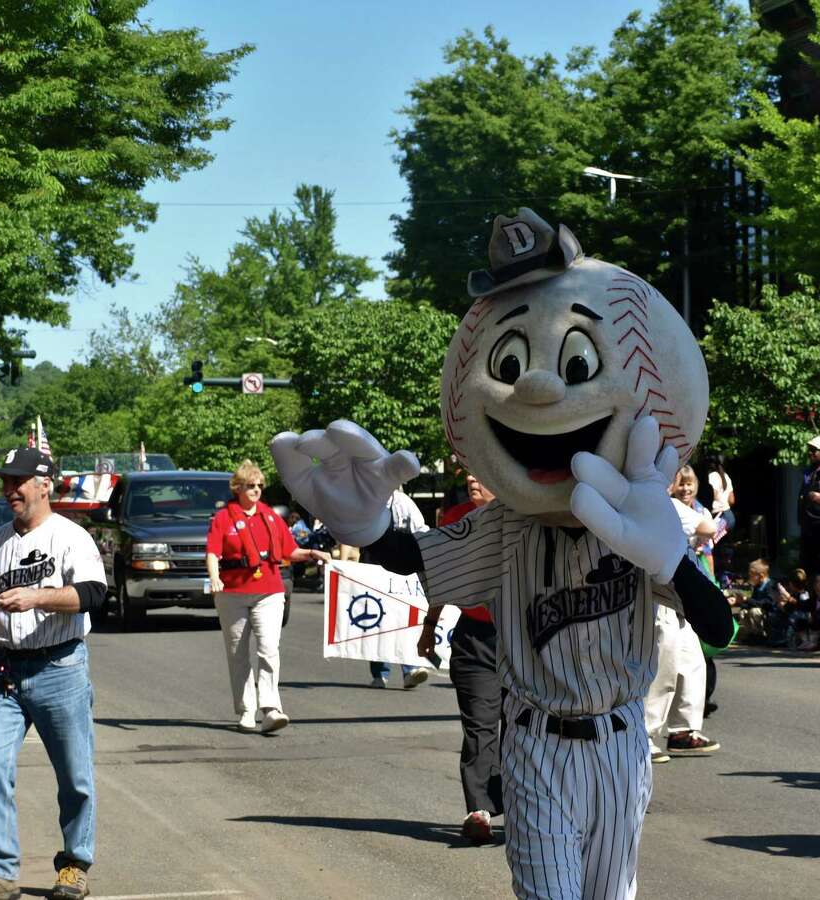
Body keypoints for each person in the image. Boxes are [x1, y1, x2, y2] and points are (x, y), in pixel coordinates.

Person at [272, 208, 733, 899]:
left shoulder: (646, 524)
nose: (539, 389)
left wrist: (671, 561)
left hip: (622, 744)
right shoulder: (506, 528)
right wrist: (368, 527)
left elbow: (720, 630)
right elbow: (417, 560)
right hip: (537, 743)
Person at [0, 447, 107, 900]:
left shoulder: (71, 537)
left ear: (44, 483)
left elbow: (92, 594)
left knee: (74, 774)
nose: (8, 489)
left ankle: (74, 864)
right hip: (5, 669)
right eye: (5, 481)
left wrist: (37, 597)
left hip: (60, 666)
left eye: (18, 481)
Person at [206, 460, 328, 734]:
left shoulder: (271, 517)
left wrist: (311, 554)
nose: (256, 490)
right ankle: (247, 710)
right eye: (250, 486)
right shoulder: (223, 518)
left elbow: (289, 551)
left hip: (270, 591)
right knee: (238, 655)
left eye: (260, 486)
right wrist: (214, 577)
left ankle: (271, 708)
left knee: (269, 649)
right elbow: (213, 552)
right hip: (233, 593)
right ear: (237, 488)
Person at [415, 472, 503, 844]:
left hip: (524, 636)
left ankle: (529, 806)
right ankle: (479, 811)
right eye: (466, 470)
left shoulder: (524, 517)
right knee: (480, 725)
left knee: (523, 727)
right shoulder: (455, 519)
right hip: (474, 638)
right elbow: (443, 577)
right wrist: (429, 624)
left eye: (480, 470)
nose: (471, 477)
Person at [646, 466, 721, 758]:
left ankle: (683, 729)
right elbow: (709, 527)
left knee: (691, 661)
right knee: (662, 665)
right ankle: (646, 732)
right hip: (660, 592)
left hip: (680, 594)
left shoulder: (672, 504)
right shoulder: (663, 503)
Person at [369, 490, 431, 690]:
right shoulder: (367, 500)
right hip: (373, 566)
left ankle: (410, 669)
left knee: (403, 618)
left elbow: (421, 529)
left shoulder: (404, 502)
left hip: (400, 565)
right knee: (377, 620)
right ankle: (380, 673)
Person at [798, 435, 820, 578]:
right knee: (807, 566)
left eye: (814, 450)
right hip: (807, 526)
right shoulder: (808, 472)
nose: (810, 453)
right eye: (809, 450)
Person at [705, 454, 737, 532]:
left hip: (718, 517)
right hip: (729, 516)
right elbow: (732, 500)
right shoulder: (726, 476)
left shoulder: (711, 477)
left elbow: (712, 496)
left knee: (710, 543)